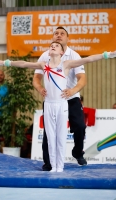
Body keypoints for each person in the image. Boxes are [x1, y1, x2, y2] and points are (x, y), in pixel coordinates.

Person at [0, 42, 116, 172]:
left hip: (62, 105)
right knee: (50, 137)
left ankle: (59, 167)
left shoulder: (66, 64)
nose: (52, 46)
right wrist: (7, 63)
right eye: (51, 46)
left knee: (60, 137)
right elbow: (25, 64)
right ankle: (53, 166)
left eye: (56, 46)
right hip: (48, 105)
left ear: (62, 52)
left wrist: (107, 55)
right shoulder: (44, 64)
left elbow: (88, 59)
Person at [33, 27, 87, 171]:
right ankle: (49, 162)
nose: (58, 35)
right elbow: (36, 78)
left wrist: (72, 91)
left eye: (62, 34)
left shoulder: (74, 55)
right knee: (48, 132)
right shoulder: (45, 55)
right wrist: (40, 89)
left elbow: (82, 79)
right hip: (52, 100)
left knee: (80, 126)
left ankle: (77, 152)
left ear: (67, 39)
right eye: (56, 33)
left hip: (71, 97)